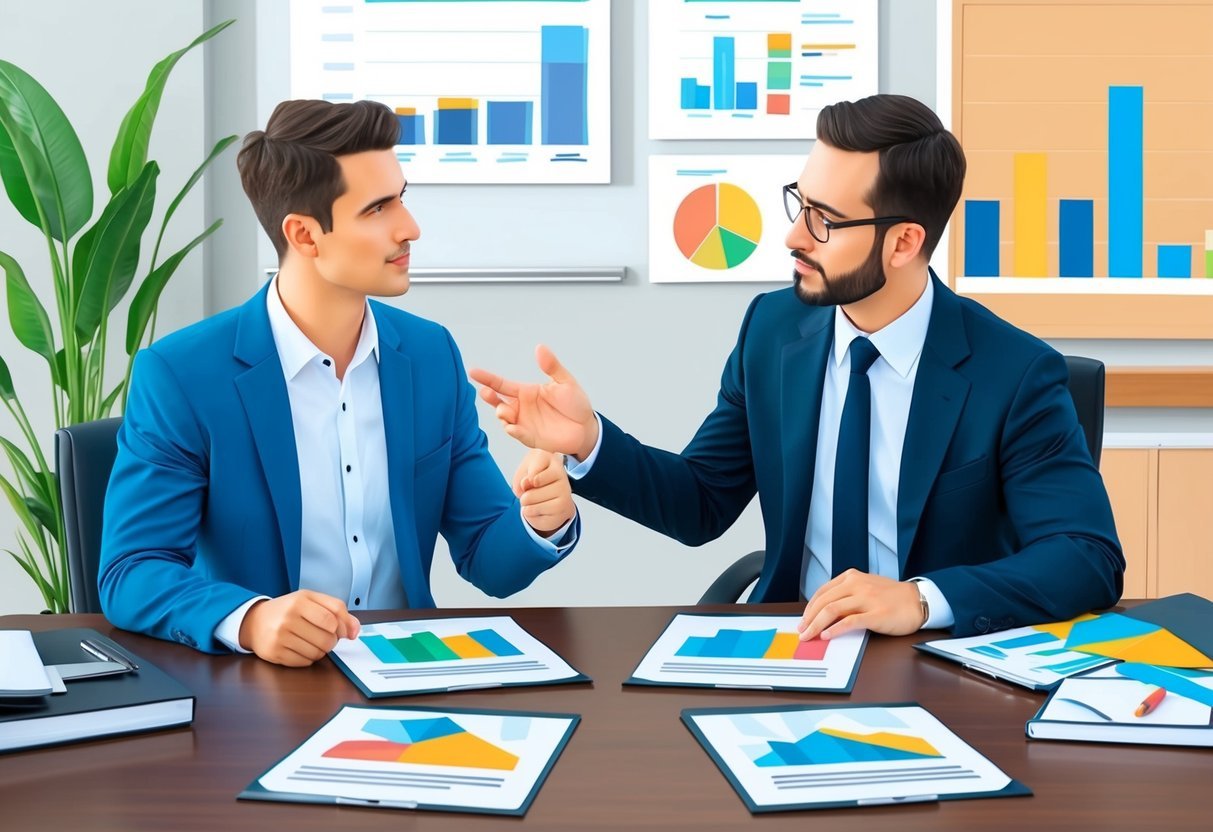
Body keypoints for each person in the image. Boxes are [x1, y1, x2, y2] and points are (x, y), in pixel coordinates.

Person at [470, 94, 1123, 640]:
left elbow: (1084, 557)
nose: (792, 236)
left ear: (903, 242)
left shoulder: (1014, 373)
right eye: (798, 203)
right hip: (790, 644)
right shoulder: (772, 330)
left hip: (936, 659)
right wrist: (590, 443)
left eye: (825, 221)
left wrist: (920, 599)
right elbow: (700, 503)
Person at [100, 99, 579, 666]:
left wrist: (539, 521)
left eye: (402, 197)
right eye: (378, 209)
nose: (410, 228)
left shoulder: (429, 357)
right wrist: (250, 619)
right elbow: (134, 570)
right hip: (258, 689)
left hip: (410, 672)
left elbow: (487, 559)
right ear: (304, 234)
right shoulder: (183, 376)